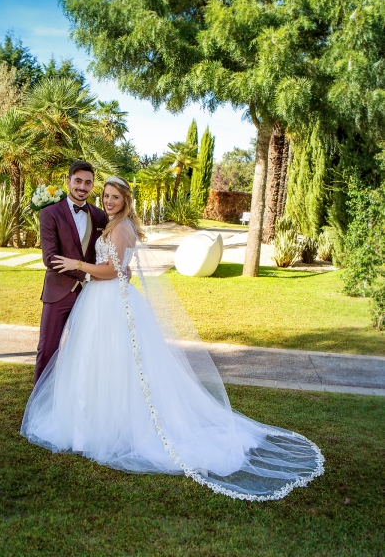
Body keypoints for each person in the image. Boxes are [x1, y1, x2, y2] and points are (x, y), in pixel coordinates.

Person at [21, 175, 324, 501]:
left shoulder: (121, 227)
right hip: (99, 300)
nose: (108, 201)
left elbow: (113, 270)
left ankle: (109, 428)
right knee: (96, 363)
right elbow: (120, 267)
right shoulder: (112, 224)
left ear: (125, 201)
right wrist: (108, 267)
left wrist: (78, 264)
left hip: (110, 301)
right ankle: (90, 423)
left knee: (115, 364)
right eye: (106, 196)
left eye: (114, 197)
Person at [34, 161, 107, 383]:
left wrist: (119, 267)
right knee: (47, 349)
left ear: (92, 186)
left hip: (90, 295)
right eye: (78, 181)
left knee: (84, 350)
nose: (82, 187)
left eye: (88, 182)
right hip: (58, 292)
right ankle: (40, 399)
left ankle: (76, 395)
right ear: (68, 182)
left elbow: (106, 251)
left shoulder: (100, 216)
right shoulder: (50, 213)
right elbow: (50, 258)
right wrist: (86, 274)